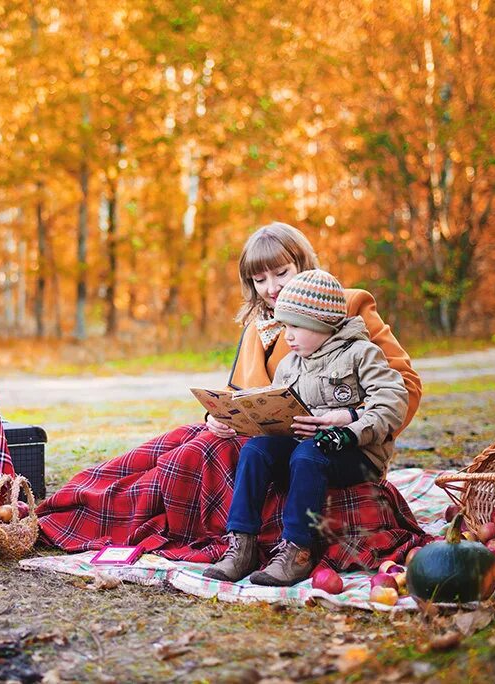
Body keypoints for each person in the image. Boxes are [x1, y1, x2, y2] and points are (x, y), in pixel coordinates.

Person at [36, 222, 426, 570]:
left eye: (282, 273)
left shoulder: (348, 306)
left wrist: (349, 418)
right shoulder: (258, 327)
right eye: (260, 280)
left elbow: (403, 385)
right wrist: (218, 416)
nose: (272, 288)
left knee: (196, 456)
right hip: (263, 439)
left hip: (333, 445)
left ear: (305, 265)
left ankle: (113, 517)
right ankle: (79, 504)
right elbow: (241, 391)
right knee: (181, 442)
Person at [201, 269, 409, 585]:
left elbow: (392, 401)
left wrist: (351, 424)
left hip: (357, 454)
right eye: (285, 326)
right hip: (307, 449)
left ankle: (298, 550)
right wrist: (239, 419)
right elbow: (281, 411)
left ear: (323, 324)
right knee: (257, 449)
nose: (288, 336)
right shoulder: (290, 365)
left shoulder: (360, 353)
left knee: (310, 453)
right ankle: (241, 544)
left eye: (296, 326)